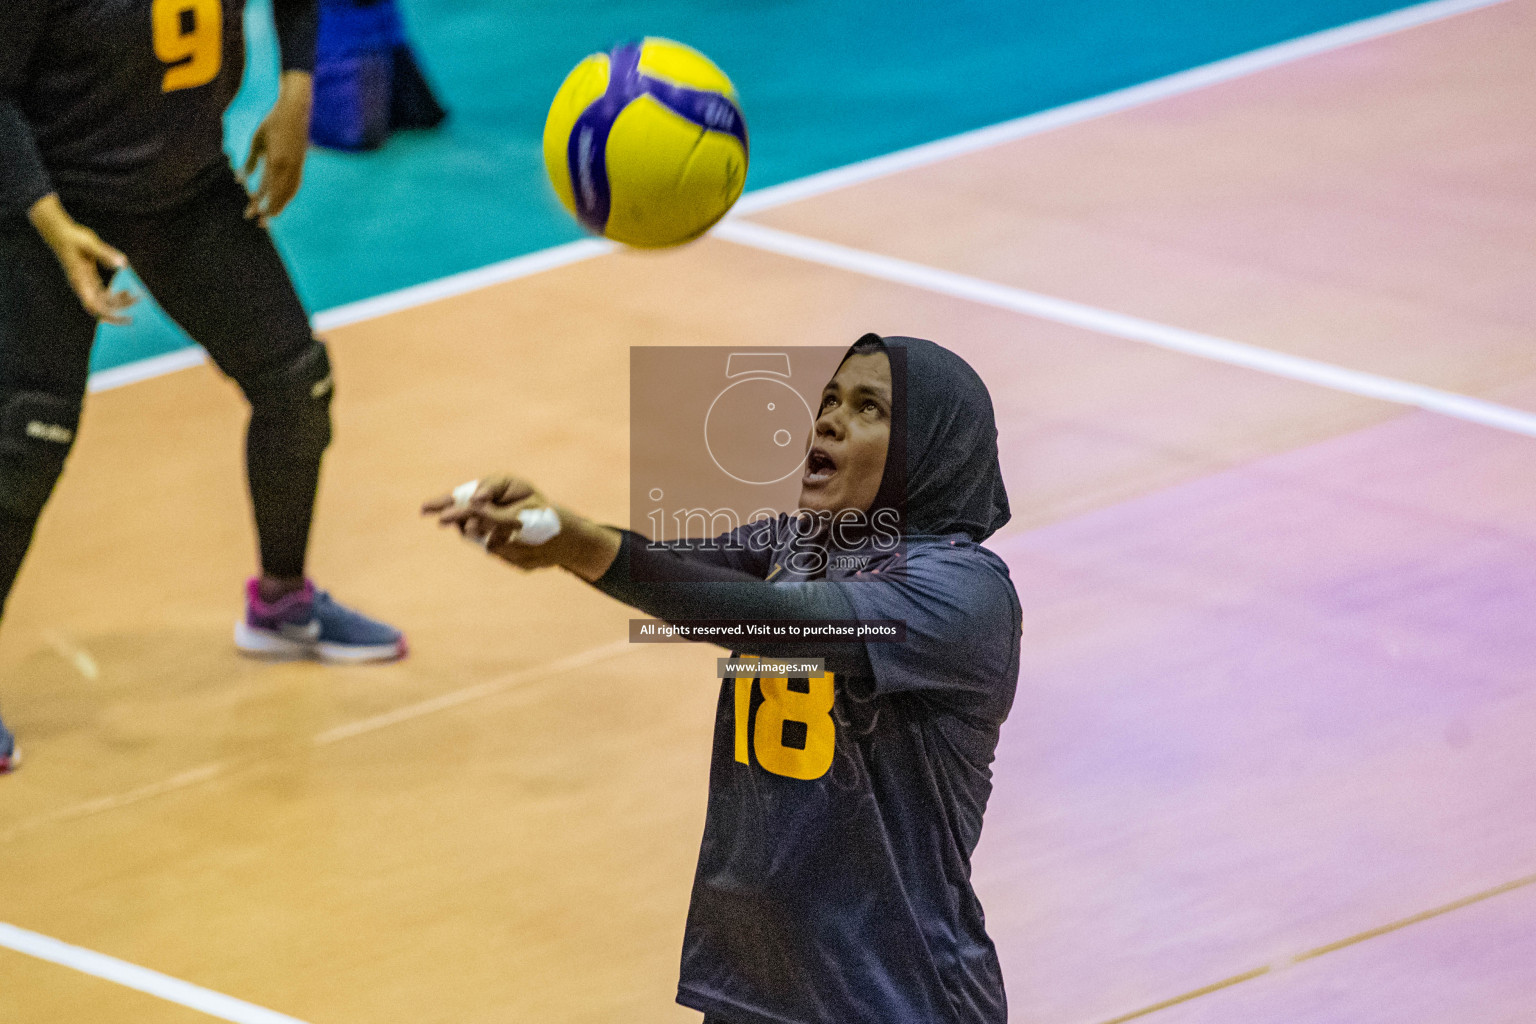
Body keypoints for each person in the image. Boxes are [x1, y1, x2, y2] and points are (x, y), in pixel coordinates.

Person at [426, 334, 1021, 1024]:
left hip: (899, 992)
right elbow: (679, 572)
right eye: (829, 398)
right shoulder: (795, 545)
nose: (827, 418)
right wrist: (553, 535)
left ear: (929, 446)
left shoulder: (963, 595)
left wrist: (580, 544)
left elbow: (768, 616)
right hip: (760, 981)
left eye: (868, 409)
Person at [0, 0, 406, 774]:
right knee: (26, 440)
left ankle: (281, 604)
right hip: (54, 205)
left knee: (297, 387)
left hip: (187, 192)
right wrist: (49, 223)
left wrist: (296, 89)